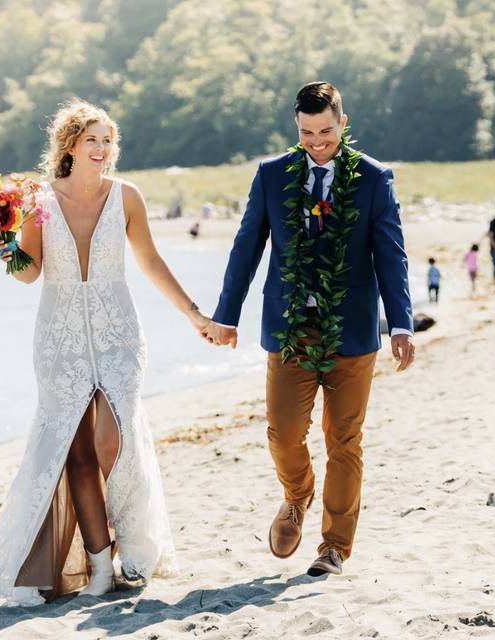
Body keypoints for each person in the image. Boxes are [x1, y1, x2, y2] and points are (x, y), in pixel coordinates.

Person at [0, 100, 209, 605]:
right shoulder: (40, 202)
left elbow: (150, 261)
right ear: (69, 145)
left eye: (108, 141)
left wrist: (194, 314)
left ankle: (130, 541)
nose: (102, 149)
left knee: (114, 438)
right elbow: (29, 273)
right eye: (92, 140)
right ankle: (100, 565)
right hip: (58, 338)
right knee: (76, 453)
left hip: (119, 334)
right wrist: (3, 245)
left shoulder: (127, 196)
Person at [203, 82, 415, 577]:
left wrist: (401, 324)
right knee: (283, 433)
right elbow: (246, 248)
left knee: (345, 440)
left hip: (353, 330)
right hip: (290, 328)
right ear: (296, 127)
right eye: (306, 132)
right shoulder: (272, 175)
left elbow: (391, 255)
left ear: (343, 123)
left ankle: (334, 547)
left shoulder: (374, 178)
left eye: (325, 131)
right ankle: (297, 494)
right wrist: (226, 316)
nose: (317, 142)